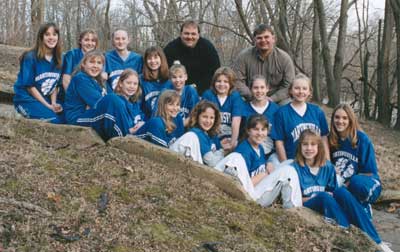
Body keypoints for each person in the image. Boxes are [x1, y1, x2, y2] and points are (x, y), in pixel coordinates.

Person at [293, 130, 392, 251]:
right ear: (299, 146)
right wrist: (317, 196)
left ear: (319, 147)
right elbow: (295, 200)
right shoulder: (294, 169)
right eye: (305, 144)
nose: (309, 148)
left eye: (313, 144)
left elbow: (333, 192)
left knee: (341, 192)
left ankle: (377, 241)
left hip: (328, 202)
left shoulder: (327, 166)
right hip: (311, 202)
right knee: (325, 197)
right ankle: (347, 234)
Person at [214, 115, 302, 208]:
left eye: (263, 129)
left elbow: (260, 168)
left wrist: (268, 164)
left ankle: (294, 207)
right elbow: (245, 183)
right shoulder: (244, 151)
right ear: (248, 131)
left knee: (289, 163)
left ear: (267, 131)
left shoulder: (259, 147)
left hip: (260, 189)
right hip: (251, 195)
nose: (260, 133)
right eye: (256, 129)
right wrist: (265, 174)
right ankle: (293, 208)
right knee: (287, 172)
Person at [64, 50, 135, 141]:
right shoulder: (81, 78)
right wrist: (97, 104)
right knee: (112, 99)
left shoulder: (98, 82)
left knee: (119, 99)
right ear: (83, 64)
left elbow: (109, 103)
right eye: (92, 62)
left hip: (92, 115)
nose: (95, 65)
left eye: (99, 63)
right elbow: (99, 103)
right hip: (78, 118)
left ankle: (128, 132)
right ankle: (125, 139)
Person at [329, 104, 382, 219]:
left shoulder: (362, 139)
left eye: (344, 118)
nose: (340, 121)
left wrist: (348, 184)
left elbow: (369, 172)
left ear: (351, 120)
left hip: (365, 182)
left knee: (357, 183)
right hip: (341, 183)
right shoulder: (331, 140)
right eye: (337, 117)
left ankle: (364, 206)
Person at [271, 74, 329, 162]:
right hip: (293, 162)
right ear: (290, 91)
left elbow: (324, 138)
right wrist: (285, 164)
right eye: (297, 88)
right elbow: (279, 142)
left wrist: (327, 161)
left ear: (309, 91)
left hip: (316, 161)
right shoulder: (281, 113)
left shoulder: (317, 111)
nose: (301, 91)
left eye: (304, 88)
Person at [13, 22, 64, 123]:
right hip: (26, 99)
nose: (51, 37)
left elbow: (55, 85)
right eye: (47, 34)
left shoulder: (60, 58)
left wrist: (53, 103)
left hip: (46, 99)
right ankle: (21, 112)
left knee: (65, 119)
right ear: (41, 37)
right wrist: (48, 106)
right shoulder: (30, 57)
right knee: (53, 121)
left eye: (54, 34)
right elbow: (30, 87)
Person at [232, 24, 295, 104]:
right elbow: (237, 80)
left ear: (273, 39)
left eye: (266, 37)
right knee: (237, 100)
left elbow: (289, 85)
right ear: (254, 40)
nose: (263, 40)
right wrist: (251, 95)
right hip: (250, 97)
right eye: (259, 38)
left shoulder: (284, 58)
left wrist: (272, 99)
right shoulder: (243, 57)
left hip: (276, 100)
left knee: (287, 103)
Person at [164, 20, 221, 95]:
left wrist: (198, 88)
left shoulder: (208, 48)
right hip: (176, 92)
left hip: (203, 91)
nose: (190, 37)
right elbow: (164, 72)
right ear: (181, 34)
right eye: (186, 33)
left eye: (193, 34)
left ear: (198, 35)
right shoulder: (170, 49)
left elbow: (216, 72)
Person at [170, 100, 231, 166]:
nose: (208, 121)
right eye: (204, 117)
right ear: (197, 116)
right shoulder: (197, 133)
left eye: (211, 118)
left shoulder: (212, 135)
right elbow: (212, 162)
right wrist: (223, 152)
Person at [202, 67, 244, 150]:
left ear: (231, 84)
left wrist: (232, 143)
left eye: (226, 82)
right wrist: (217, 143)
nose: (222, 84)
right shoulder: (208, 95)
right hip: (211, 133)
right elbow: (202, 119)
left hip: (229, 135)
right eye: (218, 81)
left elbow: (236, 121)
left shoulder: (235, 97)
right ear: (214, 82)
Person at [241, 75, 279, 156]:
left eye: (262, 87)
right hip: (249, 152)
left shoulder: (276, 109)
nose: (259, 90)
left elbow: (279, 137)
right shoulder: (244, 108)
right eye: (256, 88)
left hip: (271, 153)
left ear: (267, 88)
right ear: (251, 89)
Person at [140, 46, 173, 119]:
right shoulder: (140, 80)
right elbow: (137, 106)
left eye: (156, 57)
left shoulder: (170, 79)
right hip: (148, 121)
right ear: (145, 61)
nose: (153, 61)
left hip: (168, 120)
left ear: (162, 59)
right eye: (149, 58)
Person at [114, 69, 145, 134]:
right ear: (120, 84)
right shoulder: (116, 101)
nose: (132, 86)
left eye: (135, 84)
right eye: (128, 83)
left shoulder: (136, 104)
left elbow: (141, 118)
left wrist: (143, 123)